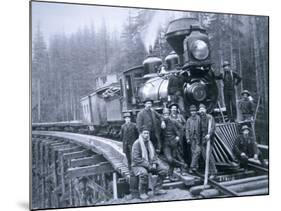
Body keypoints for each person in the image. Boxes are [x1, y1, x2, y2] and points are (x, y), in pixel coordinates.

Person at [131, 127, 168, 200]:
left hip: (149, 164)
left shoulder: (149, 142)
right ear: (141, 134)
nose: (146, 135)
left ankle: (157, 189)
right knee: (143, 173)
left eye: (147, 133)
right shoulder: (137, 143)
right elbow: (136, 159)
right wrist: (149, 166)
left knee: (164, 169)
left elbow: (154, 155)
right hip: (138, 165)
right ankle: (142, 192)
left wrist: (154, 163)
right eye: (144, 133)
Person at [162, 108, 187, 181]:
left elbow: (181, 128)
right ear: (163, 115)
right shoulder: (161, 123)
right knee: (170, 159)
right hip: (166, 144)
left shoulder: (174, 121)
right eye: (164, 114)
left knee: (175, 158)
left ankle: (170, 175)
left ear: (169, 114)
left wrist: (178, 137)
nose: (166, 116)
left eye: (167, 114)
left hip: (174, 143)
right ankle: (182, 165)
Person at [199, 103, 217, 177]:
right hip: (202, 140)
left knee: (209, 156)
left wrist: (209, 134)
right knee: (204, 156)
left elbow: (213, 127)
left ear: (205, 110)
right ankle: (208, 171)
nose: (202, 111)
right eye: (200, 110)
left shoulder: (210, 117)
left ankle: (214, 172)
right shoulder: (199, 118)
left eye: (203, 109)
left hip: (209, 139)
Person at [185, 105, 201, 173]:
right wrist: (188, 138)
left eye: (194, 111)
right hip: (192, 138)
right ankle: (196, 167)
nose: (193, 112)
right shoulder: (189, 120)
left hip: (198, 138)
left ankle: (191, 166)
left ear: (196, 112)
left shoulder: (199, 118)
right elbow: (187, 129)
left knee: (197, 152)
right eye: (192, 111)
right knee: (193, 152)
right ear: (190, 112)